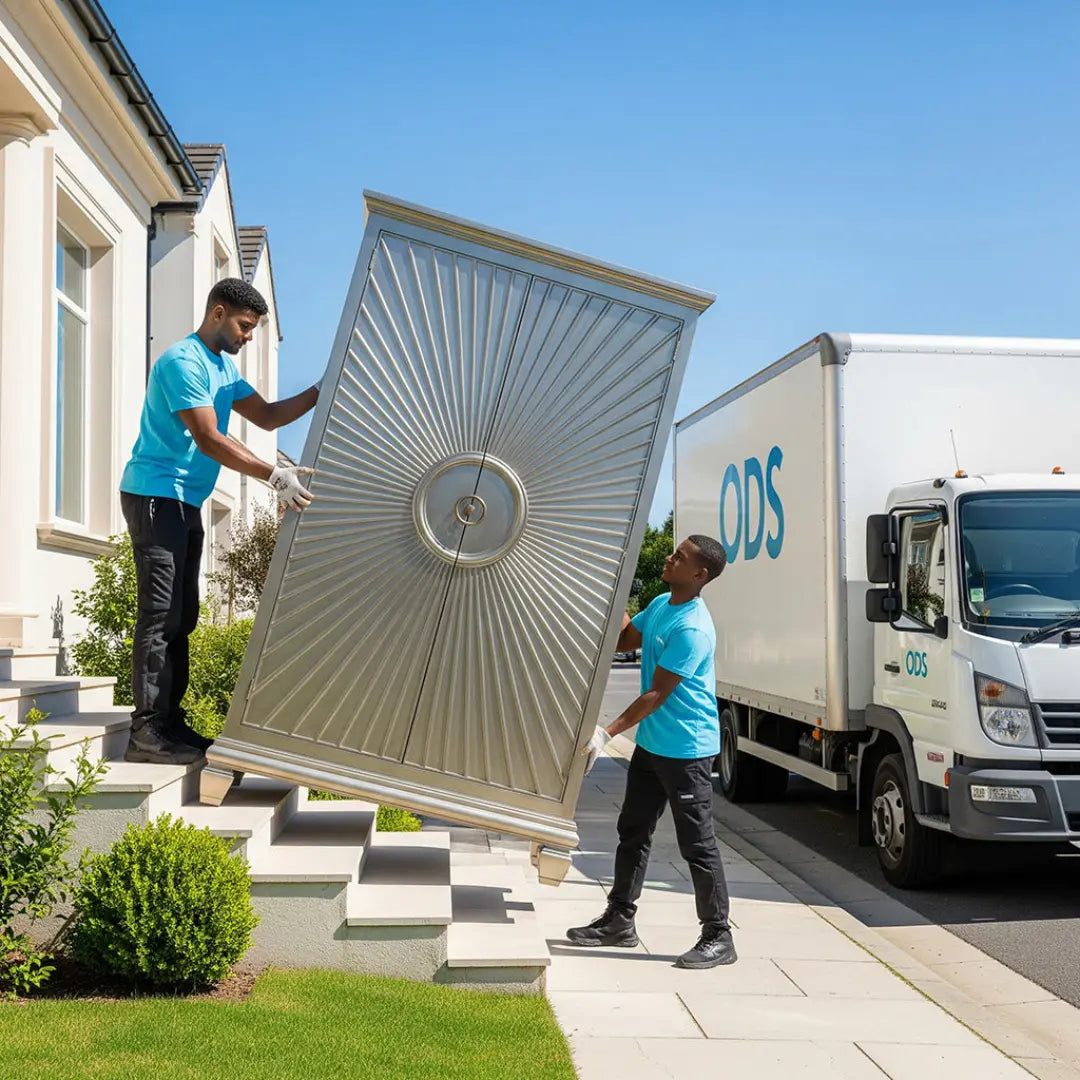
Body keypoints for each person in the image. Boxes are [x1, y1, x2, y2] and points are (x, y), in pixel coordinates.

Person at [118, 278, 321, 765]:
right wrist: (274, 475)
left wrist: (322, 389)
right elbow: (209, 438)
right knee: (161, 615)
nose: (248, 336)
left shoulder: (222, 368)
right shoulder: (182, 362)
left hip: (185, 502)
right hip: (155, 495)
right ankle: (146, 731)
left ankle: (169, 722)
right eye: (245, 326)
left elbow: (268, 416)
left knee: (183, 615)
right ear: (217, 313)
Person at [567, 535, 735, 969]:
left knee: (697, 844)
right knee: (633, 831)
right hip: (653, 746)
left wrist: (607, 733)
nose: (669, 557)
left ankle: (718, 936)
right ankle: (619, 921)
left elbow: (657, 693)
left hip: (687, 750)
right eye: (674, 552)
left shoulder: (692, 629)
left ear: (699, 574)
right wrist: (616, 580)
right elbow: (624, 640)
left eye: (679, 556)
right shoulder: (662, 604)